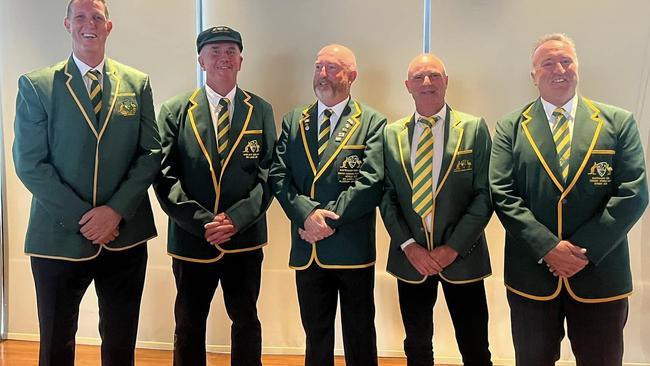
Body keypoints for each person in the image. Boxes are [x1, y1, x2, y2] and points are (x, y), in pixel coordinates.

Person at [12, 0, 161, 365]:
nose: (88, 24)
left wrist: (114, 212)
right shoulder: (37, 85)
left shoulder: (136, 83)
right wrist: (86, 218)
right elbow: (30, 163)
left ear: (109, 27)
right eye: (80, 16)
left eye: (97, 17)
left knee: (121, 341)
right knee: (56, 343)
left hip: (124, 235)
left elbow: (151, 153)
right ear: (67, 24)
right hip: (57, 237)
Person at [490, 33, 649, 366]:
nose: (558, 69)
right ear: (533, 75)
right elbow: (502, 193)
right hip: (532, 276)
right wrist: (548, 248)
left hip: (601, 275)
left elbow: (634, 192)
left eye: (566, 61)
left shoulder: (618, 122)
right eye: (547, 63)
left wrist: (581, 252)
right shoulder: (510, 128)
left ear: (578, 67)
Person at [154, 26, 276, 366]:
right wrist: (204, 222)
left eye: (230, 51)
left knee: (246, 320)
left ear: (240, 61)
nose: (223, 57)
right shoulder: (176, 110)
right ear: (201, 60)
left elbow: (269, 174)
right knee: (189, 323)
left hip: (245, 238)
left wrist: (235, 219)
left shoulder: (261, 110)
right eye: (215, 51)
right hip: (193, 240)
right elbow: (163, 175)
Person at [269, 44, 386, 366]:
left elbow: (370, 182)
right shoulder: (295, 120)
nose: (323, 75)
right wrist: (306, 215)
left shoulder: (372, 122)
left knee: (359, 334)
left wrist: (327, 221)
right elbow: (278, 174)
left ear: (352, 75)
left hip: (351, 248)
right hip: (308, 250)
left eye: (333, 68)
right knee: (315, 334)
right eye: (319, 67)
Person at [380, 53, 493, 366]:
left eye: (434, 76)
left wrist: (452, 248)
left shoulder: (474, 128)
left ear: (446, 81)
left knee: (475, 346)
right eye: (418, 77)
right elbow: (387, 197)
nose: (426, 82)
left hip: (463, 257)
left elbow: (484, 196)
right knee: (416, 344)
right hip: (411, 260)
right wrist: (409, 246)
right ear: (407, 85)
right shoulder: (391, 134)